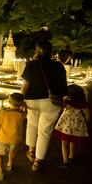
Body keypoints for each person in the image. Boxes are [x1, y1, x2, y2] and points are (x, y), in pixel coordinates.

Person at [21, 40, 68, 172]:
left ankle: (31, 151)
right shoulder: (58, 66)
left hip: (32, 100)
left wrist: (21, 100)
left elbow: (25, 84)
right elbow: (64, 86)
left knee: (32, 124)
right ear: (51, 51)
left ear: (37, 51)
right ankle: (37, 161)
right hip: (51, 102)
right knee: (44, 132)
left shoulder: (31, 65)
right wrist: (64, 101)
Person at [53, 84, 90, 168]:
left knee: (64, 143)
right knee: (72, 140)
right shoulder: (83, 102)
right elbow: (87, 116)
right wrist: (85, 124)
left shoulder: (66, 101)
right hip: (77, 125)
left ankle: (65, 161)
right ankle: (71, 156)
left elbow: (61, 108)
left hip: (66, 125)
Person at [0, 93, 26, 181]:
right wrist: (24, 106)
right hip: (15, 139)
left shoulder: (3, 113)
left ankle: (0, 169)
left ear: (9, 102)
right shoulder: (21, 115)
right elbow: (26, 113)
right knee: (12, 153)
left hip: (2, 138)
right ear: (21, 104)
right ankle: (10, 165)